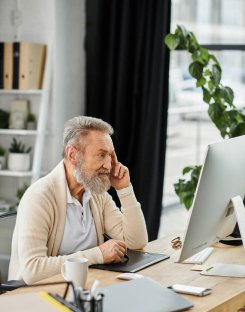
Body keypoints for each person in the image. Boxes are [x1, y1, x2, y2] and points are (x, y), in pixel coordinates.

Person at [8, 116, 148, 284]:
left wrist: (124, 189)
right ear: (73, 154)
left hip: (84, 285)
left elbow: (136, 242)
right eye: (101, 155)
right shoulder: (39, 197)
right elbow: (32, 270)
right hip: (37, 296)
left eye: (110, 156)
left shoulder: (96, 193)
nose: (109, 165)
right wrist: (98, 255)